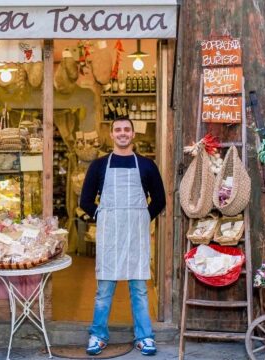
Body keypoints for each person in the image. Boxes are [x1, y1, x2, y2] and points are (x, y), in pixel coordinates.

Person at [79, 117, 166, 356]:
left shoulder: (147, 165)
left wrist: (142, 217)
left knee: (138, 287)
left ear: (133, 135)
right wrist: (102, 215)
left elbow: (160, 199)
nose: (122, 133)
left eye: (127, 130)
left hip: (136, 233)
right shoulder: (98, 165)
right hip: (110, 234)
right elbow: (85, 201)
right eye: (118, 130)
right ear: (111, 134)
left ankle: (144, 336)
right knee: (104, 289)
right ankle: (98, 335)